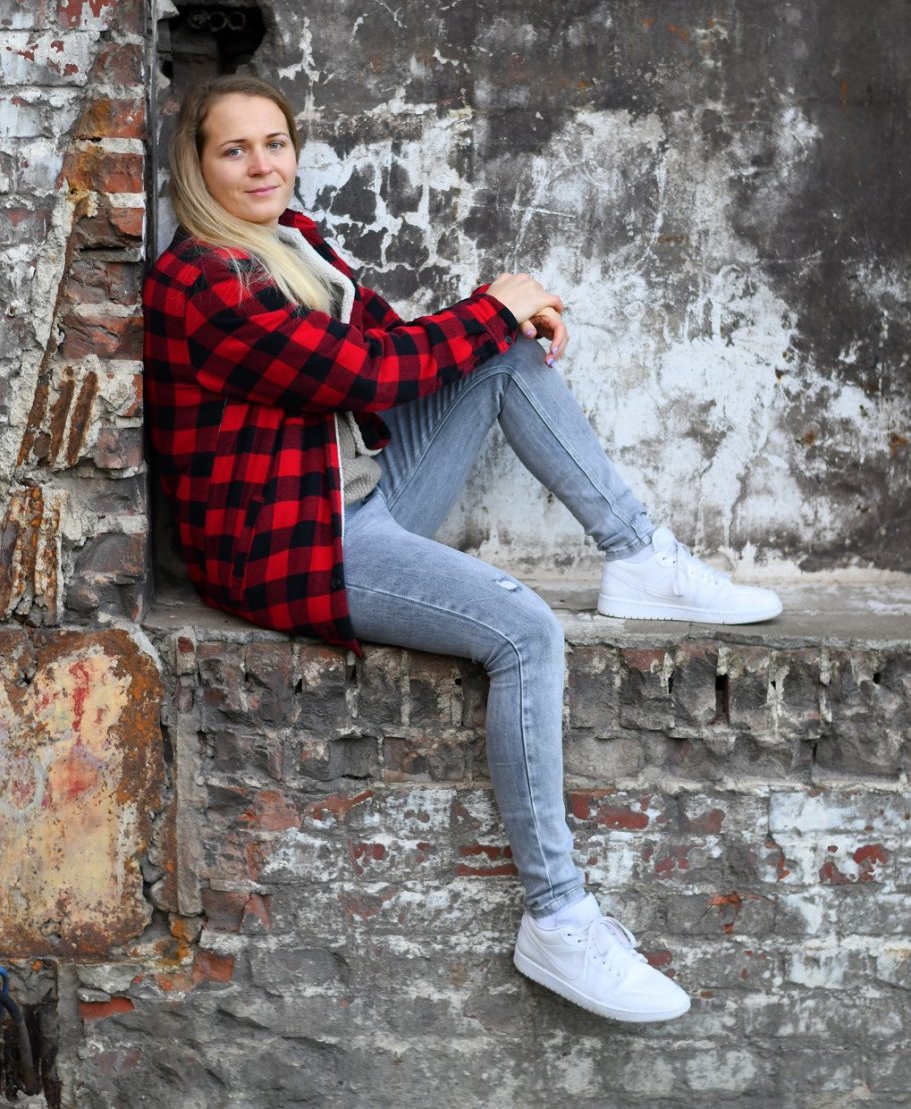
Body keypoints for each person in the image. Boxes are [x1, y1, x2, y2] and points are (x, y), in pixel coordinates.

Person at [144, 76, 782, 1025]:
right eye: (233, 150)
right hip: (296, 542)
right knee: (525, 632)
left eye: (274, 143)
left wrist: (503, 318)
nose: (261, 165)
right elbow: (365, 373)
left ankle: (639, 555)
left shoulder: (291, 240)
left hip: (356, 489)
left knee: (503, 357)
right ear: (196, 167)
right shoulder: (202, 281)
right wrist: (494, 304)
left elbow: (400, 344)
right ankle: (557, 918)